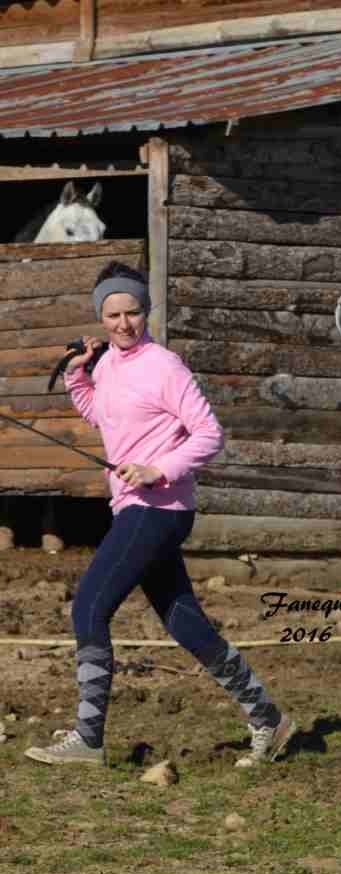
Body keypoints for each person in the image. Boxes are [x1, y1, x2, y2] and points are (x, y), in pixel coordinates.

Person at [25, 263, 296, 769]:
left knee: (88, 609)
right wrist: (77, 373)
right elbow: (102, 414)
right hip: (137, 510)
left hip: (159, 508)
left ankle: (88, 737)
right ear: (100, 316)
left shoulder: (165, 365)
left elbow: (209, 434)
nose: (123, 324)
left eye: (132, 312)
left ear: (145, 312)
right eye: (113, 314)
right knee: (184, 622)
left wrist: (159, 468)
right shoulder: (107, 365)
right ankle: (269, 719)